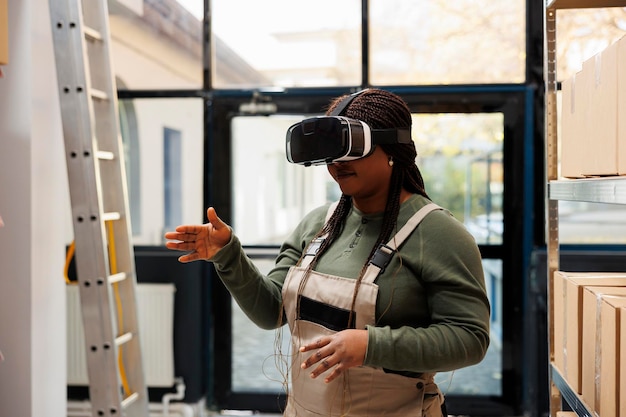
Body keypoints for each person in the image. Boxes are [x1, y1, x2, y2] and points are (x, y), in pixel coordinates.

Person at [164, 88, 490, 417]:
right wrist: (228, 255)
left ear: (394, 148)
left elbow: (470, 338)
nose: (337, 163)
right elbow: (270, 311)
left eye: (352, 148)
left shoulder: (438, 234)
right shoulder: (319, 224)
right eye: (331, 151)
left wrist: (370, 346)